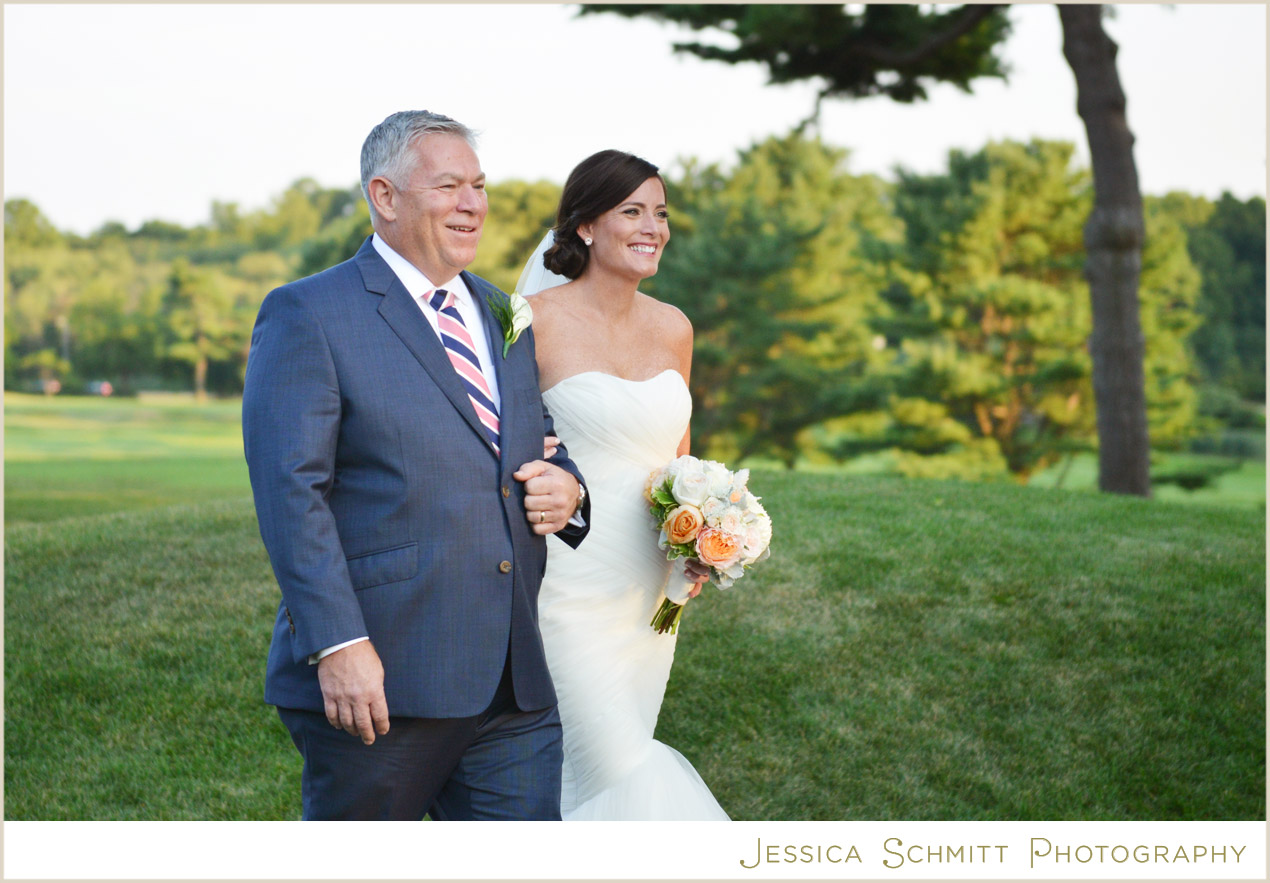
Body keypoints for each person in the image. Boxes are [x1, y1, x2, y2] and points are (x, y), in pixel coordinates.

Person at [242, 110, 590, 821]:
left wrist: (571, 490)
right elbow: (291, 493)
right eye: (449, 185)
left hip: (512, 684)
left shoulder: (505, 312)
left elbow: (538, 437)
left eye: (480, 186)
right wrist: (339, 643)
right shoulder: (309, 312)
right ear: (386, 195)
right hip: (383, 681)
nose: (473, 203)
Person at [516, 149, 730, 820]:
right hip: (566, 587)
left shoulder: (675, 327)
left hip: (656, 596)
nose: (653, 227)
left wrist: (706, 536)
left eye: (660, 213)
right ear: (584, 226)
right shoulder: (527, 319)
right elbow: (493, 442)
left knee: (612, 757)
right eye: (632, 211)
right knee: (618, 766)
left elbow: (680, 461)